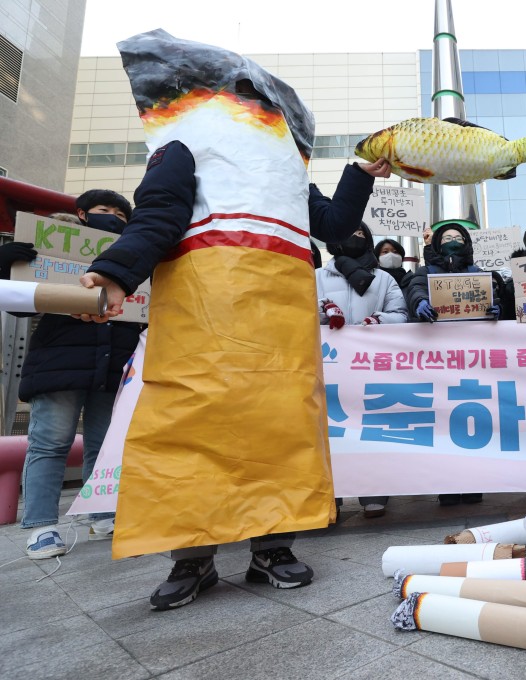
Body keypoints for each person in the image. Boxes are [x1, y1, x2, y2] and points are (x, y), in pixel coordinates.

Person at [76, 29, 391, 610]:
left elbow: (338, 223)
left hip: (281, 327)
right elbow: (158, 215)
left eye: (265, 97)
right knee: (192, 426)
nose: (260, 104)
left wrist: (361, 173)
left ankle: (273, 544)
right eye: (248, 92)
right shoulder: (182, 147)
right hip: (203, 317)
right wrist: (118, 271)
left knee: (280, 428)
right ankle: (192, 556)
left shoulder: (288, 170)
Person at [0, 191, 143, 558]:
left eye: (120, 214)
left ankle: (103, 515)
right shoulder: (53, 250)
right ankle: (41, 526)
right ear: (81, 214)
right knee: (50, 443)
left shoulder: (136, 260)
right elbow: (20, 308)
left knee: (104, 445)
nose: (113, 217)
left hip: (114, 367)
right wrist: (7, 268)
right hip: (59, 365)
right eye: (103, 211)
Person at [405, 221, 502, 506]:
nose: (452, 240)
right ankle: (447, 485)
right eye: (446, 237)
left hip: (474, 359)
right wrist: (420, 302)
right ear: (436, 244)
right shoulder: (425, 272)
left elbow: (496, 299)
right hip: (438, 360)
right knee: (442, 423)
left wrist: (496, 307)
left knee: (476, 423)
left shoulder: (479, 274)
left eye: (458, 237)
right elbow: (415, 290)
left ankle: (474, 483)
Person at [317, 222, 408, 518]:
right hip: (328, 369)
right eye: (349, 233)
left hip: (371, 367)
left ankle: (374, 491)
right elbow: (298, 310)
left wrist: (379, 321)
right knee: (330, 432)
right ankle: (332, 499)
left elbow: (400, 313)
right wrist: (323, 313)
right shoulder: (316, 277)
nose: (355, 239)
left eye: (361, 235)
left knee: (373, 427)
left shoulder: (382, 279)